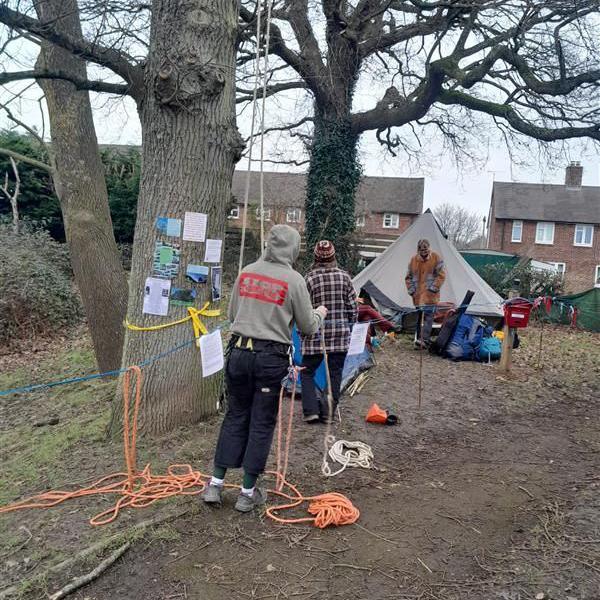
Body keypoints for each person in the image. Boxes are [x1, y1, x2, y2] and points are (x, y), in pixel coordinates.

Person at [203, 225, 327, 513]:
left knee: (235, 415)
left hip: (238, 353)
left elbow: (233, 314)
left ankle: (215, 485)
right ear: (293, 249)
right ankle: (247, 493)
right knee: (261, 420)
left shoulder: (246, 272)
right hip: (270, 358)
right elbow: (308, 327)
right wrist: (320, 313)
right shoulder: (294, 280)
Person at [300, 240, 358, 424]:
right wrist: (348, 326)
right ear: (334, 256)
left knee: (307, 372)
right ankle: (328, 413)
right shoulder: (345, 278)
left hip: (315, 335)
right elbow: (353, 309)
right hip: (340, 336)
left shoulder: (308, 279)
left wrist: (303, 333)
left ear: (315, 257)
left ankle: (311, 411)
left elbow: (303, 310)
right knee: (334, 373)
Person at [405, 239, 446, 348]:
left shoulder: (436, 258)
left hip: (431, 296)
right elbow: (408, 277)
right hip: (418, 297)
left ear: (429, 248)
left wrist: (433, 288)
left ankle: (424, 340)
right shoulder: (413, 260)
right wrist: (412, 291)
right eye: (421, 249)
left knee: (428, 318)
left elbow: (441, 275)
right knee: (419, 318)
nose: (424, 251)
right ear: (418, 249)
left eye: (425, 249)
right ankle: (419, 340)